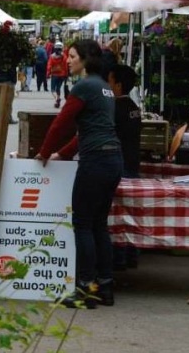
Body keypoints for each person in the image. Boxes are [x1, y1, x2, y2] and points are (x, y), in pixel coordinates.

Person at [35, 39, 122, 309]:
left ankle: (85, 289)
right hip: (112, 160)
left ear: (85, 59)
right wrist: (64, 153)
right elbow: (88, 130)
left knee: (83, 225)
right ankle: (104, 287)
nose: (67, 60)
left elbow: (61, 123)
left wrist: (45, 151)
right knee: (99, 225)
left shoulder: (84, 87)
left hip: (95, 162)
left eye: (72, 56)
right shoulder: (105, 88)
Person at [107, 63, 142, 271]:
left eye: (109, 81)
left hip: (119, 165)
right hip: (131, 162)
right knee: (130, 212)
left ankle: (119, 257)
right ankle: (131, 254)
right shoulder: (133, 108)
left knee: (117, 214)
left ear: (118, 85)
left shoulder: (115, 108)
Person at [47, 41, 68, 108]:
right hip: (62, 75)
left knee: (53, 89)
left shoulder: (52, 56)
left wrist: (48, 73)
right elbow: (66, 66)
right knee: (58, 88)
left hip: (54, 74)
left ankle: (57, 99)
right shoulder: (64, 57)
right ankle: (57, 100)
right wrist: (66, 74)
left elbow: (49, 66)